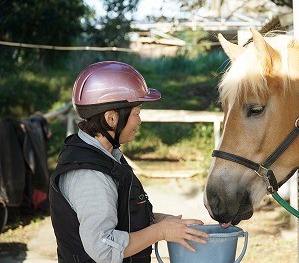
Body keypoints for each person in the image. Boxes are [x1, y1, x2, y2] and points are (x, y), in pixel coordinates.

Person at [49, 61, 208, 263]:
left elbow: (118, 213)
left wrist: (155, 221)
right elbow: (103, 248)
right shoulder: (90, 175)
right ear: (111, 119)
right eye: (136, 113)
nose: (139, 121)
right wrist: (160, 232)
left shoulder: (103, 155)